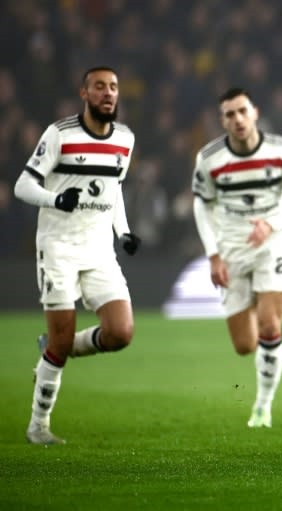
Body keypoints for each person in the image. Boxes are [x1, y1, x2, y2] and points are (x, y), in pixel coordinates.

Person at [14, 66, 140, 445]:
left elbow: (114, 188)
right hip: (59, 249)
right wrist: (56, 199)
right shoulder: (60, 134)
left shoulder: (125, 139)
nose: (108, 93)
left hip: (100, 250)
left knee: (121, 332)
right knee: (62, 338)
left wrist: (123, 231)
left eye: (113, 87)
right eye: (99, 86)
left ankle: (55, 346)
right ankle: (38, 426)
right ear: (84, 93)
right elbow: (23, 185)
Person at [192, 87, 282, 428]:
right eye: (230, 114)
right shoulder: (210, 158)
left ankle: (262, 407)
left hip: (274, 242)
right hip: (232, 248)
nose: (238, 119)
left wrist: (270, 224)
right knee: (245, 344)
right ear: (222, 121)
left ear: (255, 112)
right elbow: (202, 205)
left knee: (268, 326)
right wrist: (213, 255)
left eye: (243, 111)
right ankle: (276, 310)